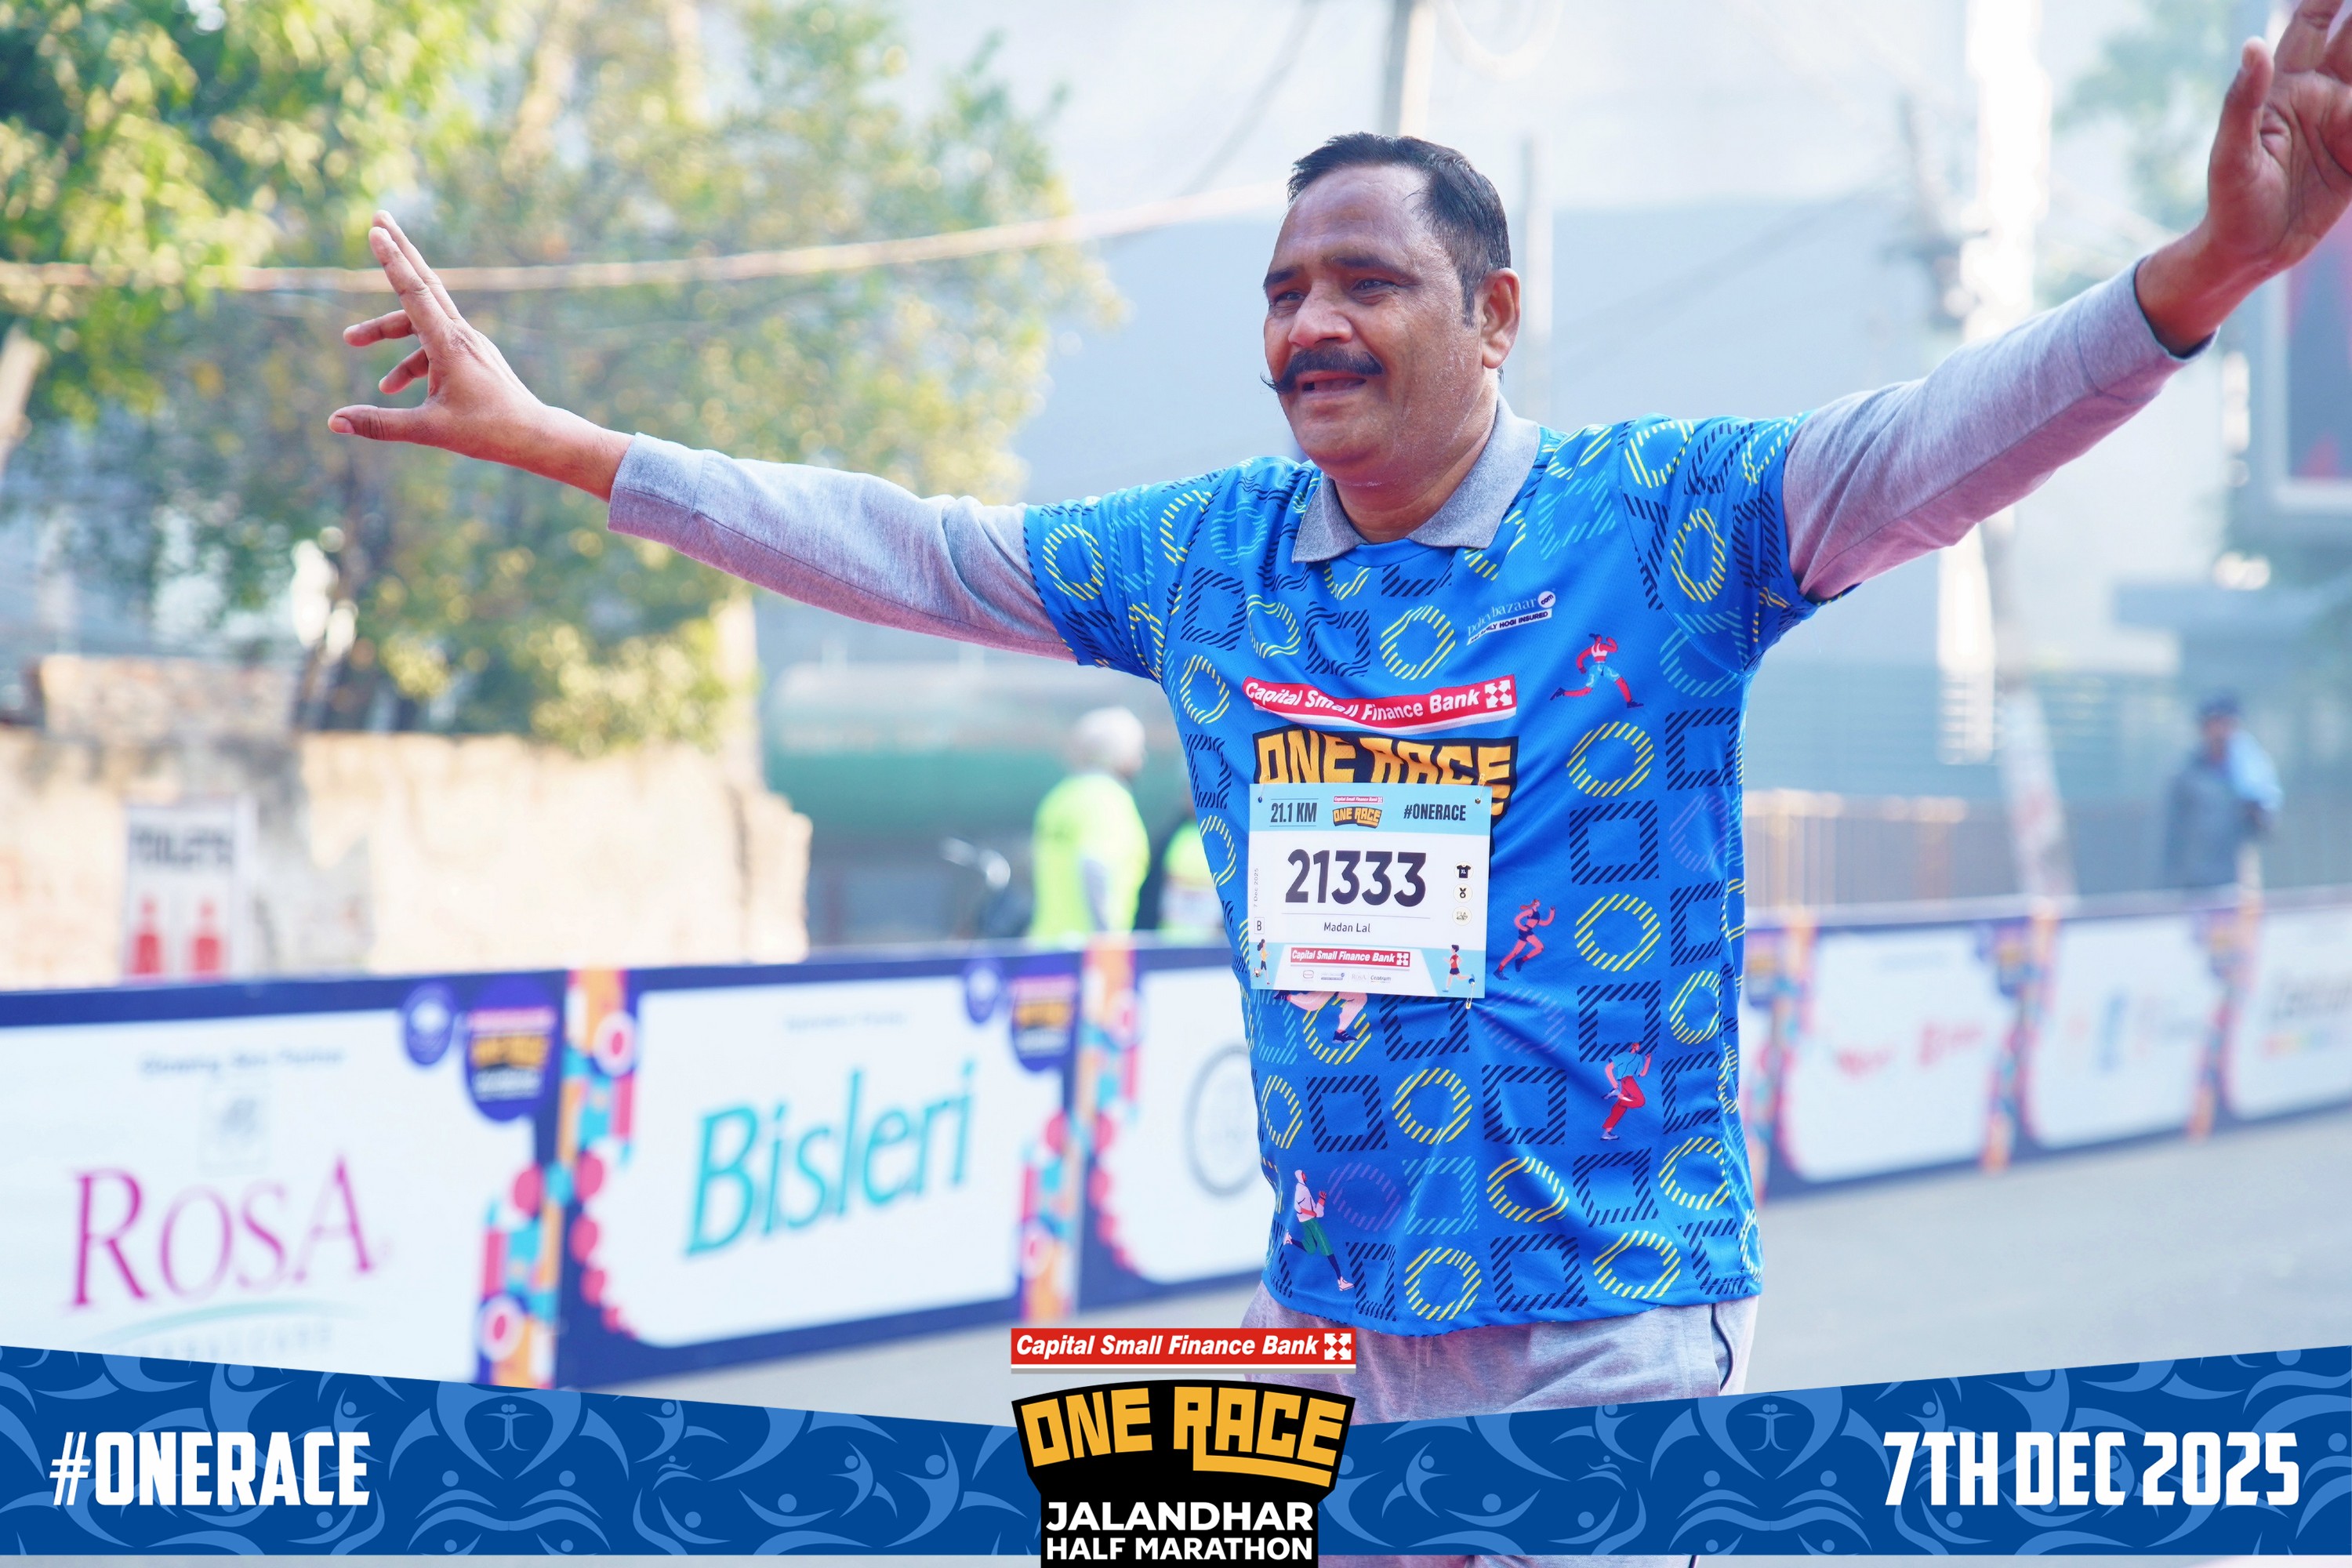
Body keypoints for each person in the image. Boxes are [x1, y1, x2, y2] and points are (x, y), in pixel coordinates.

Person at [328, 20, 2352, 1561]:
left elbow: (1940, 444)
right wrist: (576, 445)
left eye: (1367, 280)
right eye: (1286, 289)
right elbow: (910, 548)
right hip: (1326, 1326)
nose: (1311, 322)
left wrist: (2200, 275)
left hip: (1612, 1320)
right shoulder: (1204, 558)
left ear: (1494, 315)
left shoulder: (1671, 523)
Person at [1026, 706, 1152, 943]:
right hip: (1087, 953)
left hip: (1044, 944)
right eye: (1137, 749)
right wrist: (1107, 940)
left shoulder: (1059, 798)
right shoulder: (1110, 799)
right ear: (1120, 753)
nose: (1142, 758)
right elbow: (1095, 866)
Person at [2162, 692, 2282, 893]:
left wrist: (2255, 807)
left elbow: (2267, 828)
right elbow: (2171, 833)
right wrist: (2170, 883)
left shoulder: (2251, 772)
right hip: (2197, 882)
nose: (2219, 731)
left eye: (2226, 724)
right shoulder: (2187, 773)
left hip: (2239, 881)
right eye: (2213, 724)